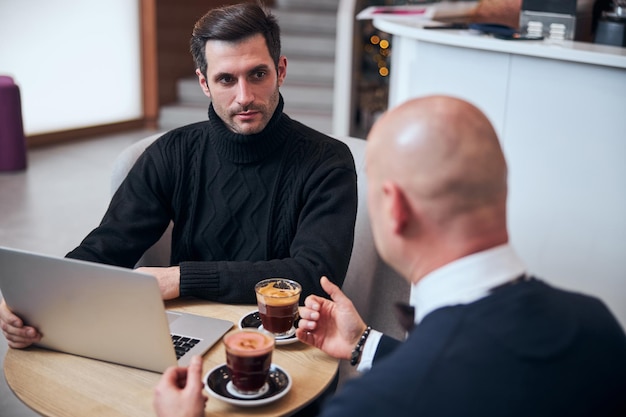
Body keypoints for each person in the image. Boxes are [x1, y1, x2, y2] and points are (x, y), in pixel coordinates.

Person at [152, 95, 626, 416]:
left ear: (394, 208)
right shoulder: (600, 326)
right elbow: (484, 367)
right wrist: (366, 345)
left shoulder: (374, 405)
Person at [0, 3, 357, 349]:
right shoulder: (173, 153)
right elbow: (107, 247)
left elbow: (312, 275)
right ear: (204, 82)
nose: (244, 96)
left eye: (257, 74)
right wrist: (36, 300)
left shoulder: (326, 161)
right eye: (226, 79)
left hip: (287, 342)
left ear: (280, 70)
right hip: (190, 332)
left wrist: (181, 278)